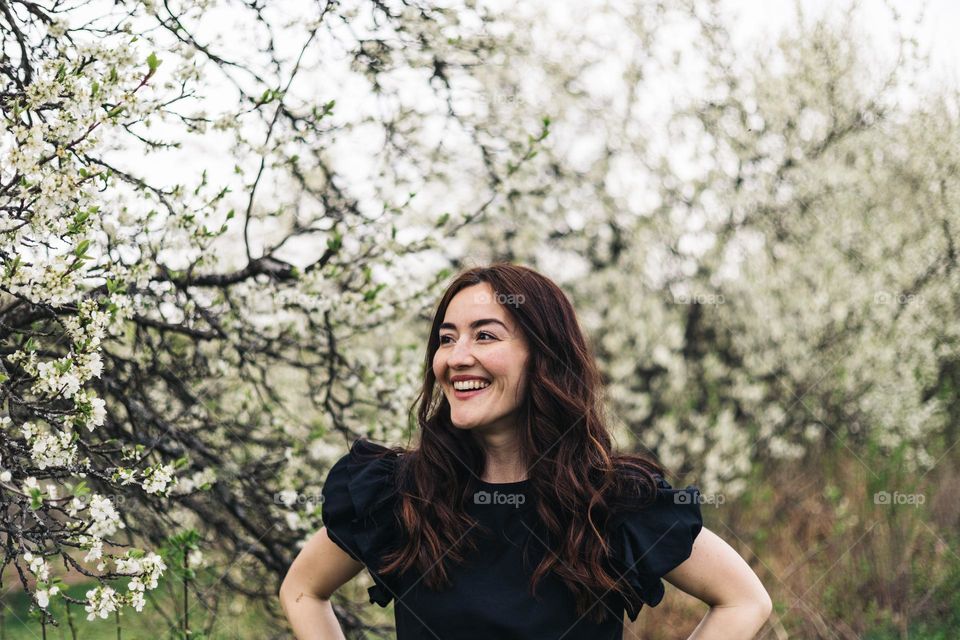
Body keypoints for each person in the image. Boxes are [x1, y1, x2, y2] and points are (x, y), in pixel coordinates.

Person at [279, 263, 772, 639]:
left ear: (545, 358)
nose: (456, 357)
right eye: (446, 339)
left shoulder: (616, 501)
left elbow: (744, 601)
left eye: (485, 335)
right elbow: (301, 590)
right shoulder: (397, 493)